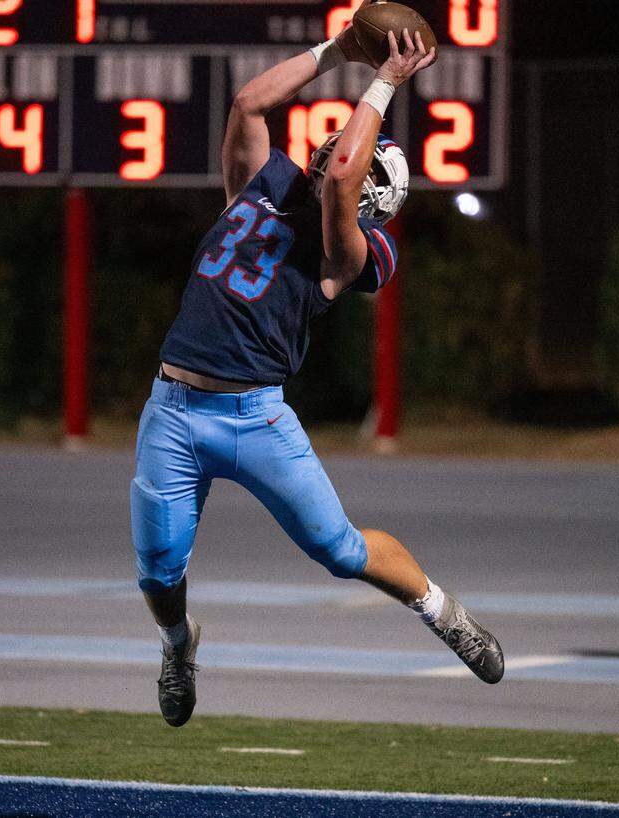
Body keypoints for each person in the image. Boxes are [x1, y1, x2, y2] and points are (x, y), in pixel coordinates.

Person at [130, 16, 504, 728]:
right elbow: (248, 105)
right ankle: (177, 647)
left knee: (340, 550)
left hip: (255, 418)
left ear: (370, 197)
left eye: (351, 153)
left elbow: (338, 184)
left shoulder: (350, 253)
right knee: (157, 571)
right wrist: (332, 51)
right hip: (173, 408)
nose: (335, 144)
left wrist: (386, 82)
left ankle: (443, 612)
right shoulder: (264, 186)